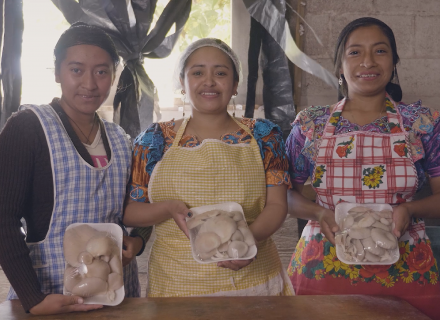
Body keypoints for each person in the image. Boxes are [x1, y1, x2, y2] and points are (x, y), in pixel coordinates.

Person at [286, 17, 440, 320]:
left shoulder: (422, 123)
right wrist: (318, 213)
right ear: (339, 66)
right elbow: (284, 196)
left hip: (406, 269)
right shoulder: (311, 124)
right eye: (355, 52)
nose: (367, 61)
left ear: (394, 62)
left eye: (380, 51)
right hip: (323, 266)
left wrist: (410, 209)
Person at [123, 38, 294, 297]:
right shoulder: (153, 140)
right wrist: (169, 208)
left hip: (256, 282)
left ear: (235, 84)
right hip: (177, 285)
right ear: (183, 82)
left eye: (221, 73)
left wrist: (248, 243)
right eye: (198, 72)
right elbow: (131, 211)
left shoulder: (264, 135)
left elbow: (277, 205)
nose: (210, 81)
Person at [0, 23, 148, 315]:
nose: (90, 84)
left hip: (116, 293)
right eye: (77, 70)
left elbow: (142, 200)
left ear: (114, 74)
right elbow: (2, 217)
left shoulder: (120, 138)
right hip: (51, 297)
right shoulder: (29, 127)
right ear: (57, 72)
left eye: (101, 71)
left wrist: (138, 238)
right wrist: (33, 299)